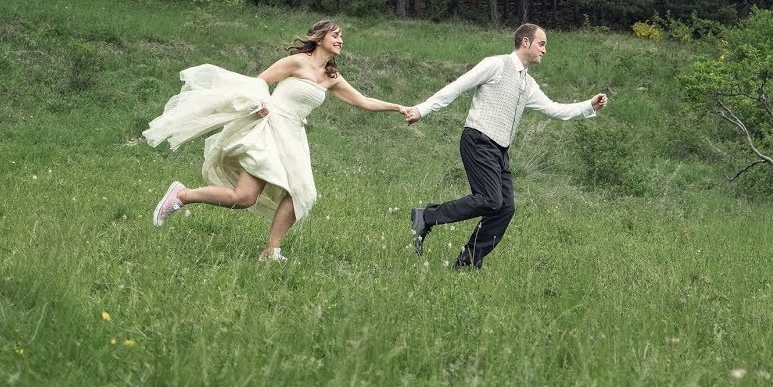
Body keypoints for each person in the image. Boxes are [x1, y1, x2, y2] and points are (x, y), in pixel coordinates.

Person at [143, 20, 407, 261]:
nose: (340, 40)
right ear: (319, 37)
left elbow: (363, 101)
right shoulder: (297, 62)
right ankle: (181, 195)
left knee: (302, 193)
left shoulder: (331, 77)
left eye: (341, 37)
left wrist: (398, 107)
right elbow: (260, 81)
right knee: (244, 197)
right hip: (269, 128)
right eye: (335, 35)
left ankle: (271, 250)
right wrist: (259, 105)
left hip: (293, 136)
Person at [404, 23, 608, 269]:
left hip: (499, 150)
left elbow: (555, 109)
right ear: (525, 42)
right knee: (490, 200)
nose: (544, 50)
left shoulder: (528, 84)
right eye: (541, 44)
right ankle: (426, 217)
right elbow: (457, 86)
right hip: (478, 139)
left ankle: (466, 263)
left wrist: (589, 106)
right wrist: (422, 110)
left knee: (505, 208)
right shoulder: (496, 64)